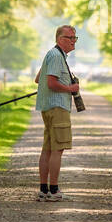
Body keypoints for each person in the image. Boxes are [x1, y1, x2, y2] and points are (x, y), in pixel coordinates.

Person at [34, 25, 80, 202]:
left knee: (48, 149)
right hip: (57, 107)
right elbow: (51, 83)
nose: (74, 41)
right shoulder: (56, 56)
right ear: (61, 39)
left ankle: (43, 190)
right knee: (58, 149)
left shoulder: (53, 54)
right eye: (70, 38)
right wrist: (70, 88)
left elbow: (39, 79)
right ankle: (53, 191)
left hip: (48, 107)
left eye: (75, 37)